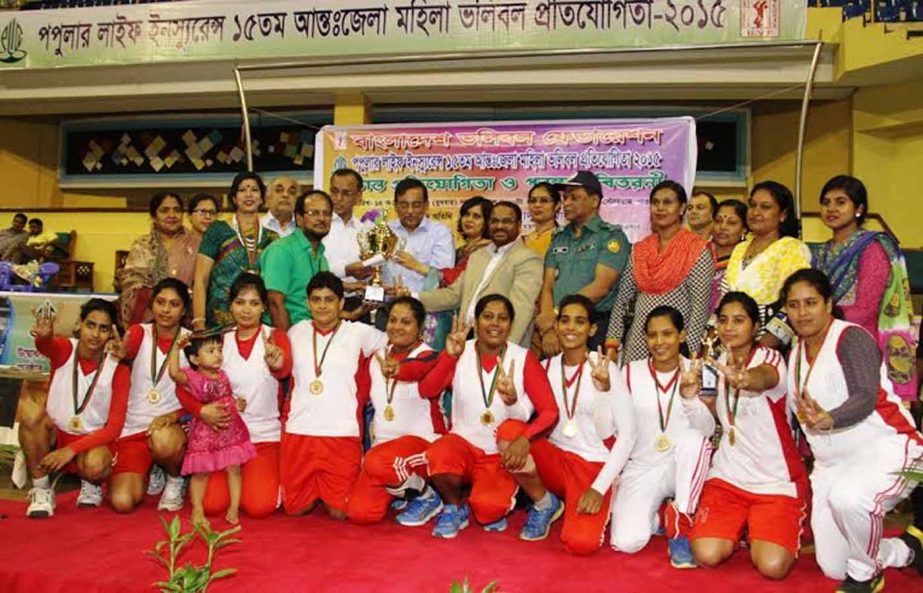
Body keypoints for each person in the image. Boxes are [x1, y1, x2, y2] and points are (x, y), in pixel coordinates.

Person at [782, 268, 923, 593]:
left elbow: (864, 395)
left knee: (851, 499)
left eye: (810, 303)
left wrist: (830, 418)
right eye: (793, 305)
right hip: (833, 465)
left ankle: (866, 575)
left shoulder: (851, 337)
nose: (802, 313)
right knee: (833, 563)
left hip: (888, 448)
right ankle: (905, 551)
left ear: (828, 304)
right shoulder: (796, 354)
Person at [414, 295, 559, 538]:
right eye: (488, 316)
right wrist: (449, 357)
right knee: (439, 452)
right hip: (463, 444)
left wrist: (525, 439)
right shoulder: (460, 350)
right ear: (476, 320)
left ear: (511, 324)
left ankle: (532, 501)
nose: (495, 324)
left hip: (501, 454)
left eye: (502, 318)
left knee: (487, 512)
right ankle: (454, 507)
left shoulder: (523, 358)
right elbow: (427, 390)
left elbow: (550, 412)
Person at [687, 292, 807, 580]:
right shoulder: (715, 362)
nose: (729, 327)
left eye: (739, 320)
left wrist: (745, 379)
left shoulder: (771, 357)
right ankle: (742, 528)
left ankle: (759, 529)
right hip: (728, 478)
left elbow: (765, 376)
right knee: (706, 555)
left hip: (774, 482)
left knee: (773, 567)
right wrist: (690, 397)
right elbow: (716, 419)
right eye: (723, 320)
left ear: (755, 327)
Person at [509, 294, 636, 553]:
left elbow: (628, 436)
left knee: (580, 544)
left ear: (592, 329)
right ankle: (545, 502)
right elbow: (522, 415)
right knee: (511, 433)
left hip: (592, 465)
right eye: (564, 320)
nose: (570, 328)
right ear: (556, 326)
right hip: (555, 460)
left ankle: (604, 495)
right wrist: (510, 397)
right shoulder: (544, 368)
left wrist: (599, 488)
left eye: (580, 322)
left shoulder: (606, 369)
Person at [176, 273, 292, 519]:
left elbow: (285, 369)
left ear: (263, 307)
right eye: (240, 302)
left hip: (263, 436)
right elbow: (184, 386)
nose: (247, 310)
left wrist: (277, 362)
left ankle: (266, 479)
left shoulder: (275, 337)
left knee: (260, 506)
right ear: (230, 305)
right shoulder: (219, 341)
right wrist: (200, 411)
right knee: (212, 505)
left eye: (254, 303)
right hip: (223, 436)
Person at [609, 306, 714, 569]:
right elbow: (616, 427)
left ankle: (681, 524)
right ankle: (658, 517)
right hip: (643, 465)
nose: (659, 342)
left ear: (682, 335)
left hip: (683, 466)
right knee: (627, 542)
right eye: (652, 335)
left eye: (667, 334)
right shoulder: (630, 372)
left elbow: (708, 429)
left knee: (693, 440)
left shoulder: (700, 370)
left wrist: (690, 397)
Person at [281, 272, 388, 519]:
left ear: (341, 303)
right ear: (308, 303)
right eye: (316, 299)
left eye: (329, 299)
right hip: (300, 432)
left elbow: (396, 341)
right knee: (296, 510)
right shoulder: (296, 332)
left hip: (341, 434)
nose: (322, 306)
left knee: (340, 512)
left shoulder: (360, 333)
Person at [18, 299, 129, 518]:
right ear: (79, 324)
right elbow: (47, 346)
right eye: (91, 324)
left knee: (96, 464)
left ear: (110, 334)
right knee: (30, 413)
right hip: (57, 434)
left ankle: (91, 483)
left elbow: (114, 428)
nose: (95, 334)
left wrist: (70, 450)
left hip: (92, 441)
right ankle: (41, 489)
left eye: (103, 328)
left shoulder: (118, 368)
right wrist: (44, 335)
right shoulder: (66, 349)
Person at [811, 175, 918, 400]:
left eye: (841, 202)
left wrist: (819, 323)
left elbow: (866, 307)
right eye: (826, 202)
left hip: (858, 342)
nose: (831, 208)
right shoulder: (819, 253)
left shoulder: (873, 247)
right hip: (820, 339)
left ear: (858, 208)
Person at [346, 296, 444, 524]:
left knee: (377, 462)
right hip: (384, 448)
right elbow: (360, 398)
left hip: (422, 442)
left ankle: (426, 495)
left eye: (406, 322)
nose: (397, 327)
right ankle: (400, 488)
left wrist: (398, 368)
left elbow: (416, 370)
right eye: (393, 320)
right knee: (360, 512)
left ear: (420, 328)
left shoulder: (429, 356)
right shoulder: (377, 356)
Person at [107, 278, 192, 514]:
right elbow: (125, 355)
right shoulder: (138, 333)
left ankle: (175, 478)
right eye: (161, 302)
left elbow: (201, 395)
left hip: (171, 429)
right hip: (136, 428)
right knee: (122, 501)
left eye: (174, 304)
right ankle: (154, 469)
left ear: (184, 309)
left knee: (164, 442)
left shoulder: (192, 341)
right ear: (151, 305)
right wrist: (123, 355)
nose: (166, 310)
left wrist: (175, 416)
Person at [606, 180, 714, 363]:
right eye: (655, 203)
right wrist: (612, 343)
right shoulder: (640, 250)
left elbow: (699, 308)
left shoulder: (696, 250)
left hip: (676, 345)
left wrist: (689, 351)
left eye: (667, 202)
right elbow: (623, 299)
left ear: (681, 209)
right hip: (639, 343)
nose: (660, 208)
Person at [414, 201, 543, 347]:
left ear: (519, 225)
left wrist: (504, 350)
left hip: (498, 341)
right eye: (495, 221)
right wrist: (412, 297)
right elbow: (454, 295)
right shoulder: (477, 256)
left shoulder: (528, 259)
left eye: (507, 221)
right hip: (465, 339)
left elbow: (521, 311)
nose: (499, 226)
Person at [536, 171, 631, 356]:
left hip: (593, 327)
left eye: (574, 197)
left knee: (591, 382)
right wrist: (549, 328)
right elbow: (547, 287)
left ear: (594, 201)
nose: (567, 203)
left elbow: (601, 286)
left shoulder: (611, 237)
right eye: (565, 198)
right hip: (555, 328)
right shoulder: (559, 238)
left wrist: (557, 315)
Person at [168, 333, 257, 526]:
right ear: (194, 359)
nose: (217, 355)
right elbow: (174, 373)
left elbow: (227, 397)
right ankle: (197, 509)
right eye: (210, 351)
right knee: (201, 472)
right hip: (206, 432)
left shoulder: (223, 375)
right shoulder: (192, 377)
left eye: (219, 350)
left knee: (234, 469)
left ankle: (234, 507)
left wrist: (237, 404)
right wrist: (176, 348)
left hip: (230, 429)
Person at [722, 181, 810, 348]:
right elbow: (723, 299)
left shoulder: (791, 249)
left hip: (770, 347)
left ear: (783, 214)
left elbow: (793, 304)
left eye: (765, 207)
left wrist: (760, 350)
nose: (755, 212)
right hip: (730, 343)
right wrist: (710, 343)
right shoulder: (740, 249)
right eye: (753, 205)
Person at [193, 172, 277, 330]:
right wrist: (199, 322)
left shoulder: (273, 238)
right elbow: (200, 279)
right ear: (233, 198)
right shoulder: (217, 231)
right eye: (242, 190)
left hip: (259, 324)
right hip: (219, 324)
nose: (249, 194)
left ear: (262, 198)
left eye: (254, 189)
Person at [115, 192, 200, 326]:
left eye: (177, 210)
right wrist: (161, 302)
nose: (172, 215)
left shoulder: (196, 244)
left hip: (187, 317)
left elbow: (202, 282)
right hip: (148, 316)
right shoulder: (142, 245)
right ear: (154, 216)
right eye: (164, 210)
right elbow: (132, 284)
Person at [261, 190, 332, 331]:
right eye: (314, 213)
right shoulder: (281, 250)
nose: (321, 218)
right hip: (287, 335)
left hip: (313, 335)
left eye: (326, 213)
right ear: (299, 218)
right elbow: (275, 302)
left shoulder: (321, 257)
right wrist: (287, 343)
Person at [382, 177, 455, 294]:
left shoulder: (440, 232)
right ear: (395, 206)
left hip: (425, 307)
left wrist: (415, 265)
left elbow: (443, 276)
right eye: (404, 205)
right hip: (389, 303)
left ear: (426, 205)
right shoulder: (384, 231)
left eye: (416, 205)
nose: (410, 211)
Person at [322, 168, 375, 312]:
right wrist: (346, 270)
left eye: (346, 193)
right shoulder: (318, 227)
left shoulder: (366, 231)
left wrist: (368, 275)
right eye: (334, 191)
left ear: (358, 197)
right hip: (322, 303)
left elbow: (372, 274)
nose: (338, 198)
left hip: (357, 304)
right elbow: (310, 268)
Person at [709, 199, 748, 311]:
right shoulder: (698, 254)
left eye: (731, 223)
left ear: (744, 228)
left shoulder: (747, 260)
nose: (723, 227)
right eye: (718, 221)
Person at [522, 182, 560, 257]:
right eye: (533, 201)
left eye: (544, 200)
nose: (537, 205)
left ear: (557, 206)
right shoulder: (521, 240)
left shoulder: (564, 238)